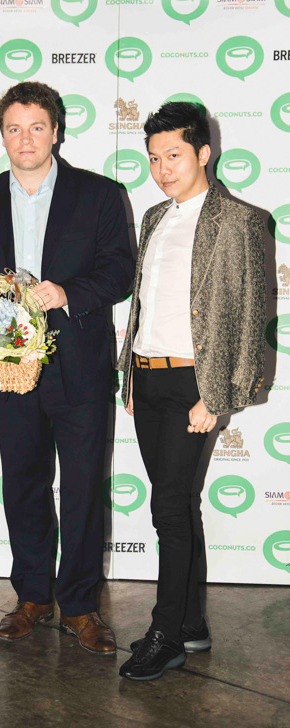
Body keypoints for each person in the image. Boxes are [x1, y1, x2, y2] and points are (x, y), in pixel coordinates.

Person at [0, 81, 134, 654]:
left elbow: (120, 271)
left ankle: (80, 605)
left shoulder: (100, 194)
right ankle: (32, 595)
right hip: (8, 366)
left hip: (80, 365)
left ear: (56, 131)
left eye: (37, 127)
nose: (25, 139)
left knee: (82, 487)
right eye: (14, 128)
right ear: (2, 135)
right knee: (24, 483)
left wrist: (67, 293)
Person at [117, 102, 265, 681]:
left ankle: (166, 634)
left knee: (168, 510)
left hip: (194, 384)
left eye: (174, 155)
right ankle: (192, 622)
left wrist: (220, 396)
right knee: (178, 505)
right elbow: (144, 304)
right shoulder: (154, 216)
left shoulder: (240, 220)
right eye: (154, 158)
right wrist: (131, 374)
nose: (162, 169)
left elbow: (250, 318)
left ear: (204, 152)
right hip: (147, 376)